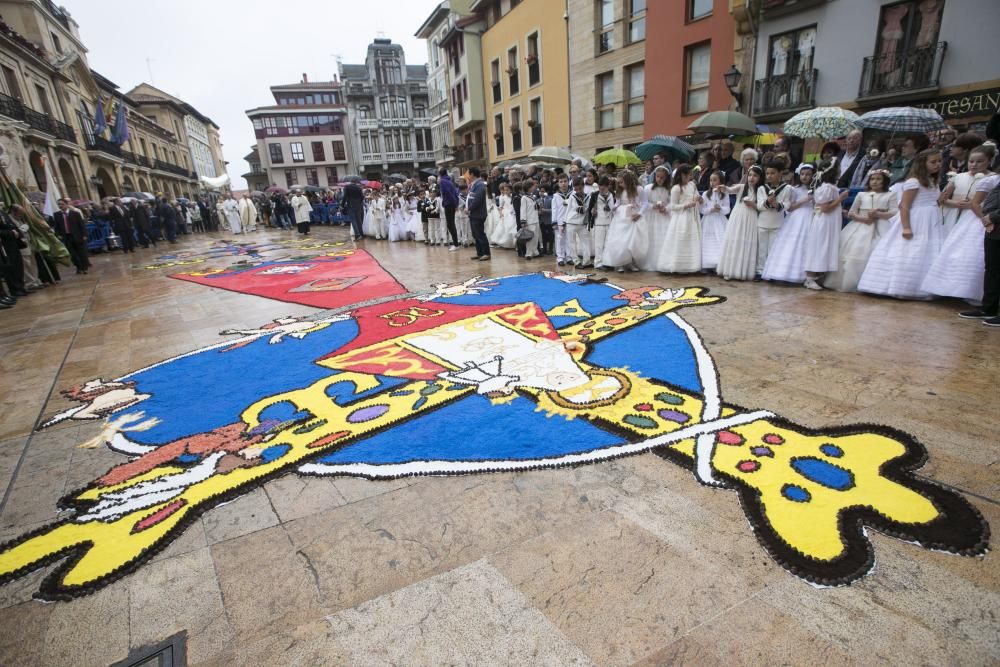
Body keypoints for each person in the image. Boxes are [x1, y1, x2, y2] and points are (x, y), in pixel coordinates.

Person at [859, 149, 945, 299]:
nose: (937, 164)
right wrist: (906, 227)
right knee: (910, 250)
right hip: (917, 219)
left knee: (928, 251)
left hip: (932, 220)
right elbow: (904, 206)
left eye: (939, 161)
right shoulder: (913, 182)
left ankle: (926, 286)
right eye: (933, 162)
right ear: (922, 164)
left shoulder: (933, 182)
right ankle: (901, 286)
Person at [922, 144, 998, 303]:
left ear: (989, 161)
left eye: (980, 161)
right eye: (971, 161)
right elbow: (942, 199)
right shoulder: (958, 177)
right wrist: (956, 203)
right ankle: (947, 288)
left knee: (974, 254)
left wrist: (977, 208)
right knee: (952, 251)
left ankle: (974, 292)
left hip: (979, 218)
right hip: (958, 217)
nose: (974, 165)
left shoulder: (993, 179)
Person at [825, 169, 898, 292]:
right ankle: (847, 281)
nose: (875, 182)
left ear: (885, 181)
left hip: (881, 226)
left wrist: (879, 214)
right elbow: (852, 212)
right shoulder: (861, 195)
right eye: (872, 179)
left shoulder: (890, 195)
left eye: (878, 179)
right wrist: (863, 219)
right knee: (855, 249)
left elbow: (893, 211)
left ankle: (872, 283)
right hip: (860, 225)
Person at [959, 179, 1000, 325]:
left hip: (995, 220)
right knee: (992, 269)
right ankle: (988, 309)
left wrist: (992, 217)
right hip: (994, 228)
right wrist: (987, 219)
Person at [802, 162, 848, 290]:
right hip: (825, 222)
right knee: (819, 247)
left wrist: (841, 210)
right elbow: (825, 208)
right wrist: (841, 198)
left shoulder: (829, 187)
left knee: (825, 247)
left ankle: (818, 275)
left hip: (830, 221)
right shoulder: (828, 188)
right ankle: (809, 278)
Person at [717, 166, 763, 281]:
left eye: (755, 176)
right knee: (735, 241)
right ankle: (729, 270)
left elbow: (762, 207)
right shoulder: (742, 187)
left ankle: (743, 271)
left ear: (760, 178)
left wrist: (753, 204)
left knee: (746, 243)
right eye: (750, 175)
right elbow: (730, 190)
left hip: (751, 218)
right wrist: (724, 188)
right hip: (738, 217)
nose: (752, 178)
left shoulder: (761, 190)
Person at [657, 163, 702, 273]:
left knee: (691, 240)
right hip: (681, 218)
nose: (690, 177)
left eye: (691, 175)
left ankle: (691, 265)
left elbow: (696, 197)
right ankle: (677, 265)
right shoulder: (676, 188)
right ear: (682, 175)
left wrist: (699, 199)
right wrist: (685, 205)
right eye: (688, 175)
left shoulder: (692, 185)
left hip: (692, 216)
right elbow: (672, 206)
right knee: (680, 239)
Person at [602, 170, 645, 273]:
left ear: (628, 181)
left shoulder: (638, 189)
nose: (620, 184)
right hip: (621, 217)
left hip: (633, 216)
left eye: (622, 182)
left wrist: (640, 213)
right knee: (621, 241)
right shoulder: (620, 191)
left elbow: (645, 203)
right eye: (619, 182)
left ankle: (630, 262)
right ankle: (620, 263)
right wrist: (614, 207)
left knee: (631, 241)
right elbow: (618, 203)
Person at [756, 160, 793, 278]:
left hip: (777, 223)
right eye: (767, 173)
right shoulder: (762, 188)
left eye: (773, 173)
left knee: (773, 249)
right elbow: (759, 205)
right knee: (761, 249)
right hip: (762, 222)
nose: (769, 176)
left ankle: (770, 272)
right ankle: (759, 271)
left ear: (780, 173)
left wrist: (778, 205)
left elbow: (787, 204)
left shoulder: (787, 188)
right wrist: (768, 202)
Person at [699, 170, 730, 272]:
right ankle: (707, 264)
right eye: (711, 180)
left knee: (719, 240)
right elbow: (702, 210)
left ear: (720, 181)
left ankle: (718, 263)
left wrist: (720, 208)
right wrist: (711, 209)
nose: (712, 182)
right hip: (708, 220)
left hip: (720, 220)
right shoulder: (705, 194)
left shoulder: (725, 194)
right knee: (707, 241)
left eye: (715, 180)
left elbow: (727, 209)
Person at [53, 198, 89, 273]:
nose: (60, 206)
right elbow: (56, 226)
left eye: (62, 204)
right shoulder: (57, 215)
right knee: (72, 254)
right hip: (66, 236)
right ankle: (78, 267)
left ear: (67, 204)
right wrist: (58, 234)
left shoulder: (75, 214)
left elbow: (81, 225)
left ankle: (84, 267)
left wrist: (84, 234)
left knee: (81, 252)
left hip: (77, 235)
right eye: (59, 204)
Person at [589, 176, 616, 270]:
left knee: (608, 244)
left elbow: (615, 208)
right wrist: (593, 211)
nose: (601, 190)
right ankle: (598, 263)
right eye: (600, 188)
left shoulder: (612, 194)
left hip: (610, 222)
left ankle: (608, 262)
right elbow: (590, 209)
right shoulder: (595, 195)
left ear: (608, 186)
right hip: (599, 222)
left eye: (603, 188)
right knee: (599, 244)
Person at [564, 177, 592, 268]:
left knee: (586, 242)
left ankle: (586, 261)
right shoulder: (572, 196)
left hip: (582, 223)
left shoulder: (588, 196)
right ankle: (576, 262)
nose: (578, 191)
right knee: (572, 243)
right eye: (576, 189)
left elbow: (587, 208)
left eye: (580, 188)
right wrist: (564, 222)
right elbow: (576, 209)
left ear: (583, 186)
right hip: (571, 222)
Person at [466, 166, 490, 260]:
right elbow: (471, 197)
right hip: (474, 213)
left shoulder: (479, 184)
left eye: (469, 174)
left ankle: (486, 253)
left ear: (472, 174)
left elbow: (477, 199)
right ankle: (480, 253)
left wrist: (469, 208)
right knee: (475, 234)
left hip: (478, 213)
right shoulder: (474, 184)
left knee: (480, 234)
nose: (468, 176)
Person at [551, 174, 573, 265]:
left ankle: (569, 257)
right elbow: (554, 210)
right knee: (559, 239)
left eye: (565, 181)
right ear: (558, 184)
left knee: (569, 239)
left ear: (568, 182)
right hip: (559, 221)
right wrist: (554, 222)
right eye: (561, 182)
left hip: (570, 220)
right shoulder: (556, 196)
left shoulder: (573, 194)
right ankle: (560, 257)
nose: (563, 184)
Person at [518, 180, 540, 260]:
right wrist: (523, 221)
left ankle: (535, 251)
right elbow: (523, 210)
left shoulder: (532, 197)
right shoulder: (524, 198)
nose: (534, 187)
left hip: (535, 219)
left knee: (536, 237)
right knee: (530, 237)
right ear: (528, 187)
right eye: (532, 186)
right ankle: (528, 253)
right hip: (529, 221)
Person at [439, 168, 460, 250]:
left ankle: (455, 244)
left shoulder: (443, 181)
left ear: (440, 175)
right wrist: (456, 203)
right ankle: (456, 243)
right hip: (451, 203)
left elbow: (447, 193)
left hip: (449, 204)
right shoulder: (450, 181)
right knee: (452, 224)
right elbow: (455, 193)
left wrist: (454, 204)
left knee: (450, 224)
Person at [537, 183, 554, 256]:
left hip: (549, 220)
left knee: (550, 235)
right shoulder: (537, 200)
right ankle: (544, 248)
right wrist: (538, 212)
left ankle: (550, 249)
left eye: (543, 191)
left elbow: (553, 210)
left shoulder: (550, 200)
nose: (541, 193)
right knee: (543, 235)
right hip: (542, 221)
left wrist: (544, 210)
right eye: (540, 191)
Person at [456, 179, 472, 247]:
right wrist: (462, 206)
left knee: (470, 228)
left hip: (469, 214)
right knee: (463, 228)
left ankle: (470, 240)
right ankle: (464, 241)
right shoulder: (459, 196)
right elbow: (458, 205)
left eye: (465, 189)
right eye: (462, 190)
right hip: (462, 214)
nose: (464, 191)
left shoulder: (469, 195)